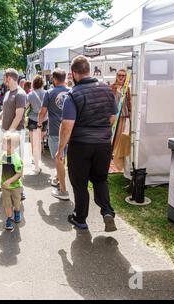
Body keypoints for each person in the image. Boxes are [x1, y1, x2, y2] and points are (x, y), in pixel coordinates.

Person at [55, 55, 118, 232]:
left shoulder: (73, 94)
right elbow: (112, 117)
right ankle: (107, 211)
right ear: (89, 70)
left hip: (81, 145)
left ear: (74, 73)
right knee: (100, 179)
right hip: (103, 144)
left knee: (80, 183)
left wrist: (60, 150)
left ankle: (80, 218)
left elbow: (67, 126)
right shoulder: (107, 90)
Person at [0, 68, 27, 200]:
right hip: (5, 130)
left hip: (15, 132)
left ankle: (20, 190)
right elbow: (4, 110)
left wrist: (8, 132)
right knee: (6, 160)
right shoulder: (8, 93)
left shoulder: (20, 94)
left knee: (17, 161)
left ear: (9, 78)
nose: (3, 80)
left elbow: (19, 116)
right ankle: (6, 183)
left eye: (4, 77)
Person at [37, 68, 70, 201]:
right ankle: (57, 178)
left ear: (54, 80)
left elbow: (42, 112)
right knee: (62, 159)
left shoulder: (49, 93)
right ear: (65, 78)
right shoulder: (71, 91)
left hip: (56, 132)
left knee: (59, 160)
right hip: (71, 132)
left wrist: (39, 125)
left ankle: (63, 191)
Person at [0, 132, 23, 232]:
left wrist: (10, 180)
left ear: (11, 146)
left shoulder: (16, 159)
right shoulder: (4, 155)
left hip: (16, 187)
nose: (1, 145)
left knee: (17, 203)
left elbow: (19, 174)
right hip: (5, 187)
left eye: (4, 143)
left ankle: (17, 212)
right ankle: (9, 219)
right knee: (7, 205)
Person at [110, 69, 132, 171]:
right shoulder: (112, 87)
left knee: (121, 137)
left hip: (124, 116)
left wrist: (131, 112)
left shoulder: (126, 88)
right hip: (114, 116)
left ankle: (117, 158)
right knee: (113, 135)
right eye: (119, 75)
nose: (121, 77)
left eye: (123, 76)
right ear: (116, 76)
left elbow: (129, 102)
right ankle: (111, 156)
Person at [26, 75, 47, 174]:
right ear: (42, 83)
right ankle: (38, 160)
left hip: (33, 120)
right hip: (44, 120)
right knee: (39, 141)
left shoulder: (30, 95)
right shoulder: (47, 93)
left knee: (34, 143)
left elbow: (25, 107)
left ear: (33, 84)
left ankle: (36, 164)